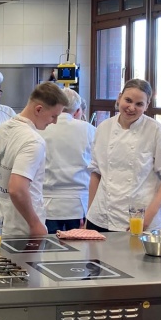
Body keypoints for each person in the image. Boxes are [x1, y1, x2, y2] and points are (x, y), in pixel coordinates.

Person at [86, 80, 161, 232]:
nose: (131, 108)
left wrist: (147, 218)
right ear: (119, 98)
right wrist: (89, 214)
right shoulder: (104, 128)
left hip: (137, 220)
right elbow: (96, 173)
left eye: (139, 104)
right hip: (100, 217)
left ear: (147, 105)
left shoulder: (157, 131)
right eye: (128, 100)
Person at [0, 82, 70, 239]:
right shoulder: (33, 141)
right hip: (20, 229)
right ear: (38, 109)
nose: (55, 122)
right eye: (53, 116)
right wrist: (34, 224)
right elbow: (17, 189)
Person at [42, 88, 96, 233]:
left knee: (49, 246)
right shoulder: (89, 130)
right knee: (79, 245)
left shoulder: (42, 127)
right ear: (78, 111)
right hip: (79, 205)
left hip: (48, 204)